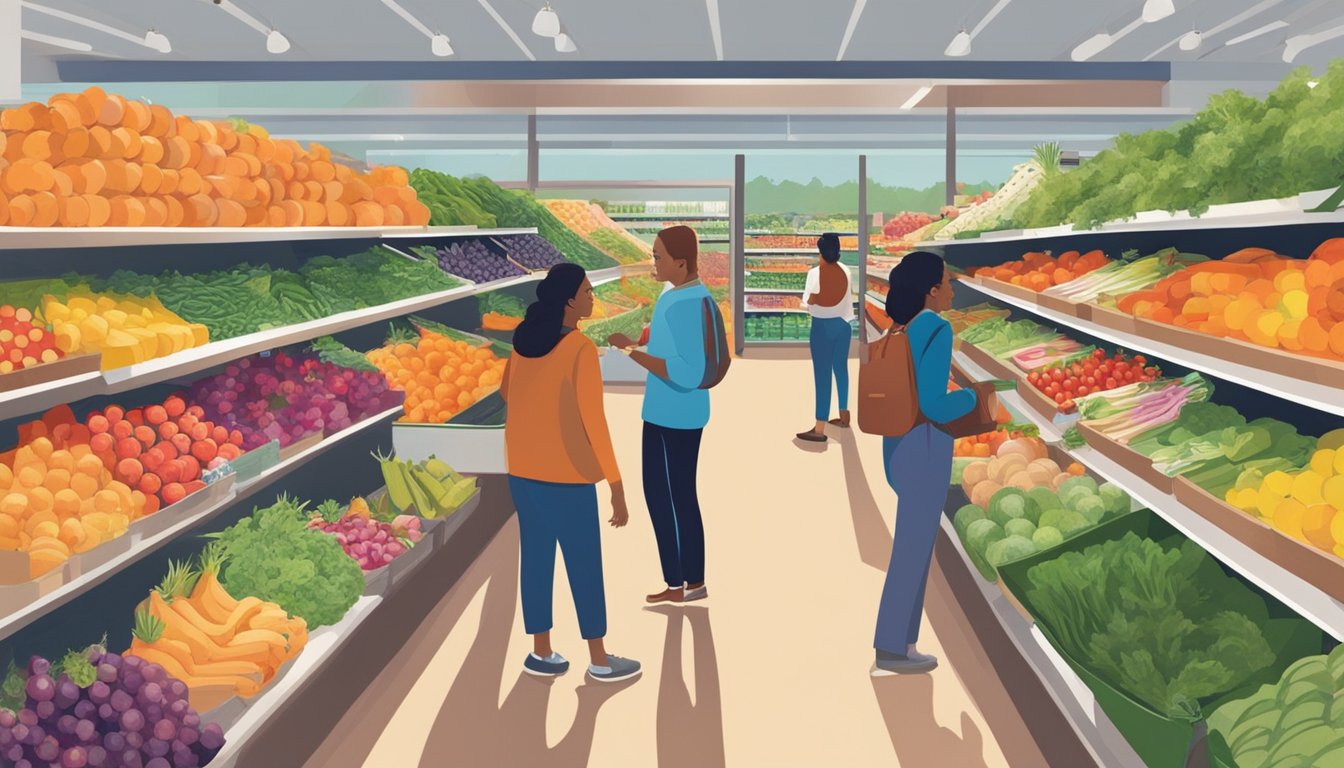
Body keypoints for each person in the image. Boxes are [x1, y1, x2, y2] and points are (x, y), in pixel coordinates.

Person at [501, 263, 642, 684]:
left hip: (523, 469)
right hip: (568, 475)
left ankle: (540, 651)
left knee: (537, 560)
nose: (591, 296)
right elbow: (593, 420)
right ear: (568, 301)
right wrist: (615, 484)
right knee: (583, 564)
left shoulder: (522, 340)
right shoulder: (579, 348)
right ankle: (599, 660)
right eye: (585, 290)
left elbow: (508, 391)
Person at [871, 251, 993, 676]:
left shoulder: (901, 327)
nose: (953, 289)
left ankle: (903, 642)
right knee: (911, 552)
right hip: (924, 450)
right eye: (947, 282)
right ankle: (890, 647)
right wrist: (979, 396)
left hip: (897, 446)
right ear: (932, 290)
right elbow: (936, 405)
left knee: (914, 547)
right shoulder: (936, 328)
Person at [608, 225, 712, 606]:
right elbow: (672, 335)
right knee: (672, 494)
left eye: (658, 257)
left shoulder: (685, 303)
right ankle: (684, 581)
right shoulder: (683, 293)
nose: (653, 261)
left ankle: (685, 582)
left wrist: (631, 353)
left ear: (680, 263)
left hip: (675, 415)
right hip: (671, 412)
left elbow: (687, 370)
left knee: (671, 495)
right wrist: (643, 338)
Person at [797, 232, 854, 443]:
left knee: (822, 376)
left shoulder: (815, 273)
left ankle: (820, 429)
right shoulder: (846, 270)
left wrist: (804, 303)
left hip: (822, 327)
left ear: (820, 251)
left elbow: (809, 303)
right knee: (841, 369)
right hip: (843, 326)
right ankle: (844, 415)